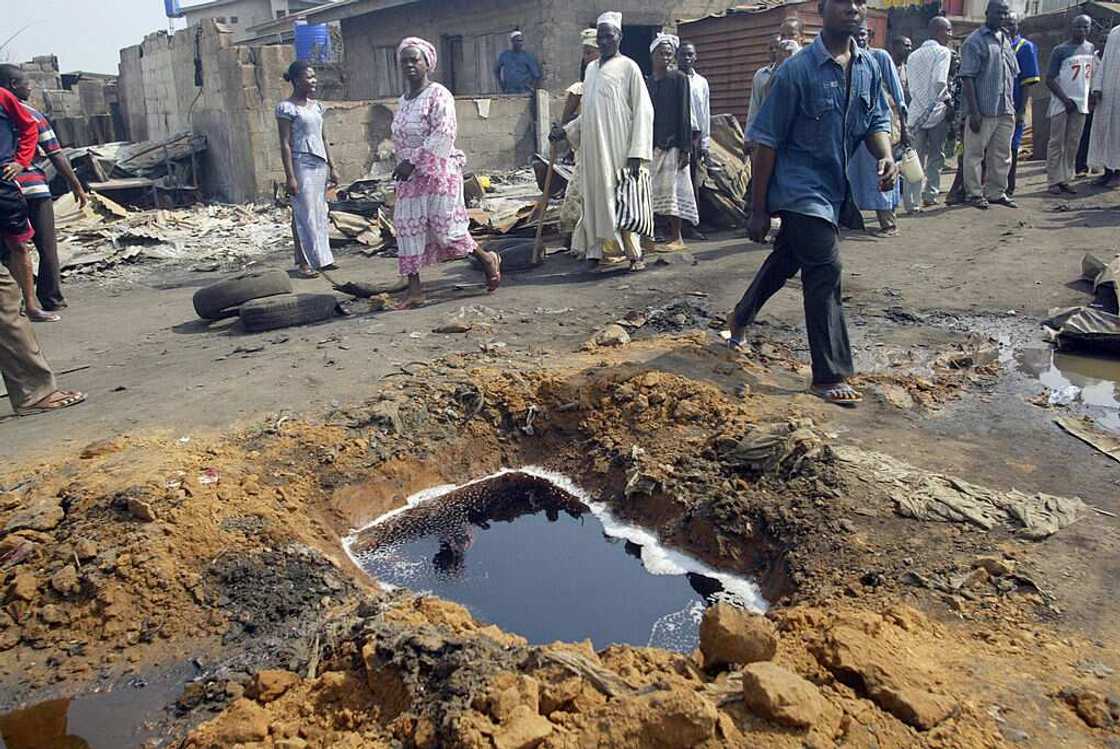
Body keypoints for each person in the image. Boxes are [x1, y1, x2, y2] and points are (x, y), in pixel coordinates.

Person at [733, 0, 895, 406]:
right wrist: (758, 209)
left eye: (859, 2)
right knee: (825, 268)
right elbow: (765, 141)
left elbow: (876, 120)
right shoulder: (796, 71)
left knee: (788, 257)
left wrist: (886, 156)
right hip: (799, 189)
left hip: (834, 187)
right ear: (823, 11)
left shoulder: (869, 67)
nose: (853, 8)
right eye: (843, 2)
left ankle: (740, 316)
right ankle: (828, 373)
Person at [392, 38, 501, 308]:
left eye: (414, 59)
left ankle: (487, 259)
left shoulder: (439, 94)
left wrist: (414, 160)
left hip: (439, 173)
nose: (409, 65)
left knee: (448, 230)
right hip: (410, 177)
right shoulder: (403, 101)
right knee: (407, 230)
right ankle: (415, 290)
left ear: (427, 63)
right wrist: (404, 165)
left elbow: (444, 133)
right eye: (404, 60)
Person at [0, 86, 84, 416]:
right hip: (13, 198)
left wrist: (20, 161)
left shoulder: (8, 103)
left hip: (21, 193)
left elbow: (30, 129)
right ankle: (34, 393)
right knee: (6, 302)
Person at [550, 12, 653, 272]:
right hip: (595, 150)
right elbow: (589, 114)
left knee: (623, 200)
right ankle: (594, 254)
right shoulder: (592, 70)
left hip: (620, 147)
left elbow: (643, 110)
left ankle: (634, 255)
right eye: (601, 36)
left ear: (619, 37)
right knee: (594, 200)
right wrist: (566, 131)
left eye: (609, 36)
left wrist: (637, 151)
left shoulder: (629, 67)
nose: (605, 41)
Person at [0, 66, 87, 316]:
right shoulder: (31, 114)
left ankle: (17, 304)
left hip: (10, 188)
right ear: (13, 84)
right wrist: (76, 185)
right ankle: (50, 298)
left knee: (12, 249)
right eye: (27, 84)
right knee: (45, 246)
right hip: (32, 189)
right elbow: (55, 153)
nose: (30, 88)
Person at [276, 60, 338, 278]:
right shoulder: (286, 108)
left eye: (314, 77)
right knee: (303, 213)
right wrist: (290, 176)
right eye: (308, 77)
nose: (313, 81)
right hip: (301, 162)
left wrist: (333, 166)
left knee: (320, 211)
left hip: (319, 162)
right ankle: (304, 262)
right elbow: (285, 143)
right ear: (295, 81)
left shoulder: (317, 106)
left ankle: (323, 258)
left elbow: (324, 137)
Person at [959, 0, 1019, 210]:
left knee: (1002, 154)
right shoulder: (974, 41)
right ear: (987, 13)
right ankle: (974, 194)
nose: (1001, 17)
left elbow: (1012, 75)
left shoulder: (1005, 39)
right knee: (975, 154)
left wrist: (1014, 108)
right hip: (982, 110)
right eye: (997, 13)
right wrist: (973, 112)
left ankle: (996, 192)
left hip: (1004, 109)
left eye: (1004, 14)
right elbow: (967, 78)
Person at [849, 24, 907, 235]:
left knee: (882, 169)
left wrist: (904, 128)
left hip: (878, 126)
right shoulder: (846, 59)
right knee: (855, 174)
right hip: (854, 128)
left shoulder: (879, 57)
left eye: (862, 34)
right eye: (854, 35)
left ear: (870, 36)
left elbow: (898, 95)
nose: (859, 38)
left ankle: (888, 223)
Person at [645, 34, 697, 251]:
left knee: (674, 191)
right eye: (661, 53)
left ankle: (676, 237)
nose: (665, 58)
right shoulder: (647, 82)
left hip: (674, 144)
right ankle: (652, 236)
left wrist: (686, 148)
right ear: (652, 55)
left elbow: (684, 115)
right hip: (651, 144)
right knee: (651, 193)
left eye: (669, 54)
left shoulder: (679, 79)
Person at [559, 29, 602, 251]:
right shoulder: (580, 89)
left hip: (606, 149)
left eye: (591, 52)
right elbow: (564, 121)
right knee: (576, 196)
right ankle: (573, 242)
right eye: (585, 53)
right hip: (584, 150)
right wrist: (563, 133)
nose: (588, 58)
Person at [904, 16, 954, 210]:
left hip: (916, 113)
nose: (950, 35)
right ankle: (931, 194)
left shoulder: (913, 55)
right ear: (937, 31)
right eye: (947, 30)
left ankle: (911, 202)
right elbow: (940, 82)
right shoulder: (943, 52)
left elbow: (910, 87)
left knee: (913, 158)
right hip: (936, 112)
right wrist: (947, 100)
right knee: (936, 155)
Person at [1044, 16, 1096, 195]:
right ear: (1071, 28)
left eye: (1085, 27)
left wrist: (1089, 97)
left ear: (1089, 29)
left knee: (1073, 142)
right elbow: (1049, 79)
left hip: (1080, 104)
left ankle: (1065, 178)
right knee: (1056, 142)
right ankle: (1052, 180)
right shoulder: (1060, 50)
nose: (1081, 30)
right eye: (1078, 27)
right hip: (1062, 103)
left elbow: (1089, 77)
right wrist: (1064, 99)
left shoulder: (1090, 48)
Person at [1006, 14, 1040, 196]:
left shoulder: (1025, 47)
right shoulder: (999, 44)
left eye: (1011, 24)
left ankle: (1009, 185)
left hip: (1015, 104)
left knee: (1013, 145)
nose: (1007, 27)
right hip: (997, 107)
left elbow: (1028, 82)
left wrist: (1021, 111)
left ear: (1017, 26)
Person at [678, 40, 710, 233]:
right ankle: (675, 226)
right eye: (683, 55)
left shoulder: (701, 83)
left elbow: (705, 113)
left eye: (690, 54)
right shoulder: (673, 79)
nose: (687, 58)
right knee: (677, 180)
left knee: (693, 179)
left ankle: (692, 224)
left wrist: (705, 143)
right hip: (676, 135)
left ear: (695, 57)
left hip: (694, 136)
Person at [1088, 23, 1120, 186]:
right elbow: (1105, 60)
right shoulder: (1115, 32)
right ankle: (1108, 171)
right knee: (1106, 133)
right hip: (1108, 92)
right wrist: (1097, 86)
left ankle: (1118, 174)